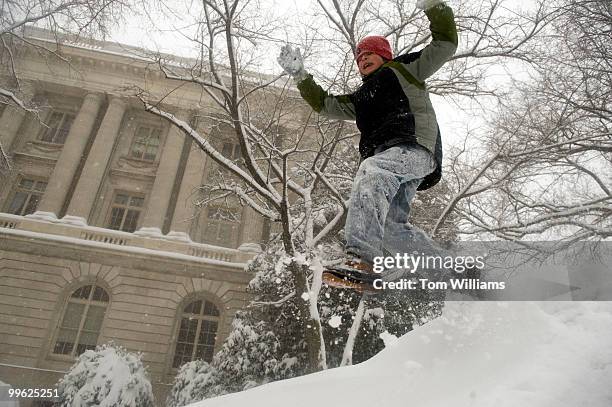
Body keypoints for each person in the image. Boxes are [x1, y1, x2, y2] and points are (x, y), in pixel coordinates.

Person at [277, 0, 458, 282]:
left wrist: (434, 6)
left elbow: (445, 43)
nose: (363, 59)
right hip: (394, 160)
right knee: (389, 227)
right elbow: (325, 104)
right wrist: (301, 77)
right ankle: (453, 271)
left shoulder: (406, 69)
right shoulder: (361, 99)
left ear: (384, 55)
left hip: (414, 147)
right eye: (359, 57)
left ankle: (362, 258)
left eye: (369, 53)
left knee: (373, 170)